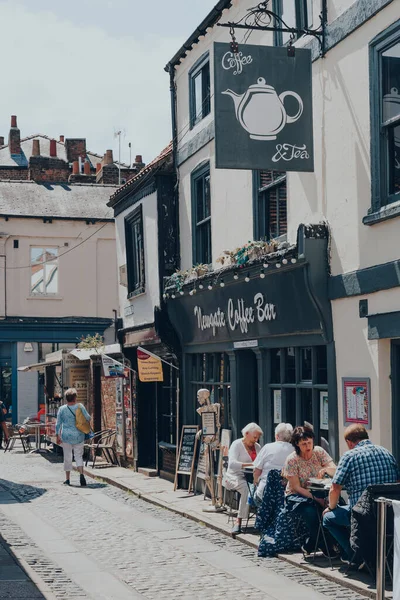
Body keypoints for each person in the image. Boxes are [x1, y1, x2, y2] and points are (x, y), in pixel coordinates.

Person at [322, 424, 399, 565]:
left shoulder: (350, 456)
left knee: (328, 518)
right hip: (388, 514)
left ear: (349, 442)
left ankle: (355, 555)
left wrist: (331, 507)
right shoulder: (387, 452)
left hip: (362, 516)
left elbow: (335, 488)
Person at [283, 425, 337, 555]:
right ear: (297, 444)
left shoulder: (318, 452)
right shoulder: (292, 460)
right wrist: (317, 500)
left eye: (309, 443)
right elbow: (296, 487)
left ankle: (312, 543)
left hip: (319, 490)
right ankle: (325, 546)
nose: (308, 447)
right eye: (304, 444)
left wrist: (326, 470)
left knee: (337, 505)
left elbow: (335, 469)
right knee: (311, 512)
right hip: (297, 495)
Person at [224, 422, 262, 536]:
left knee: (265, 487)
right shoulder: (236, 444)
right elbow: (232, 464)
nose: (256, 440)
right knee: (246, 489)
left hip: (252, 477)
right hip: (234, 476)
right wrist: (249, 464)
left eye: (258, 438)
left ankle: (262, 520)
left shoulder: (257, 447)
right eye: (254, 437)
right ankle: (239, 521)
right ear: (246, 434)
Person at [56, 388, 91, 487]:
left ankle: (67, 479)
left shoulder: (62, 409)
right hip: (79, 435)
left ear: (66, 398)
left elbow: (58, 424)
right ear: (75, 397)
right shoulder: (80, 407)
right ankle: (81, 474)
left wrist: (57, 435)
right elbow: (88, 418)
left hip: (66, 436)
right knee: (78, 456)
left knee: (67, 457)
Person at [253, 423, 293, 503]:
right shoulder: (294, 450)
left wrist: (256, 482)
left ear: (277, 436)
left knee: (253, 491)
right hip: (286, 495)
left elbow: (256, 471)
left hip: (265, 493)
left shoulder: (267, 447)